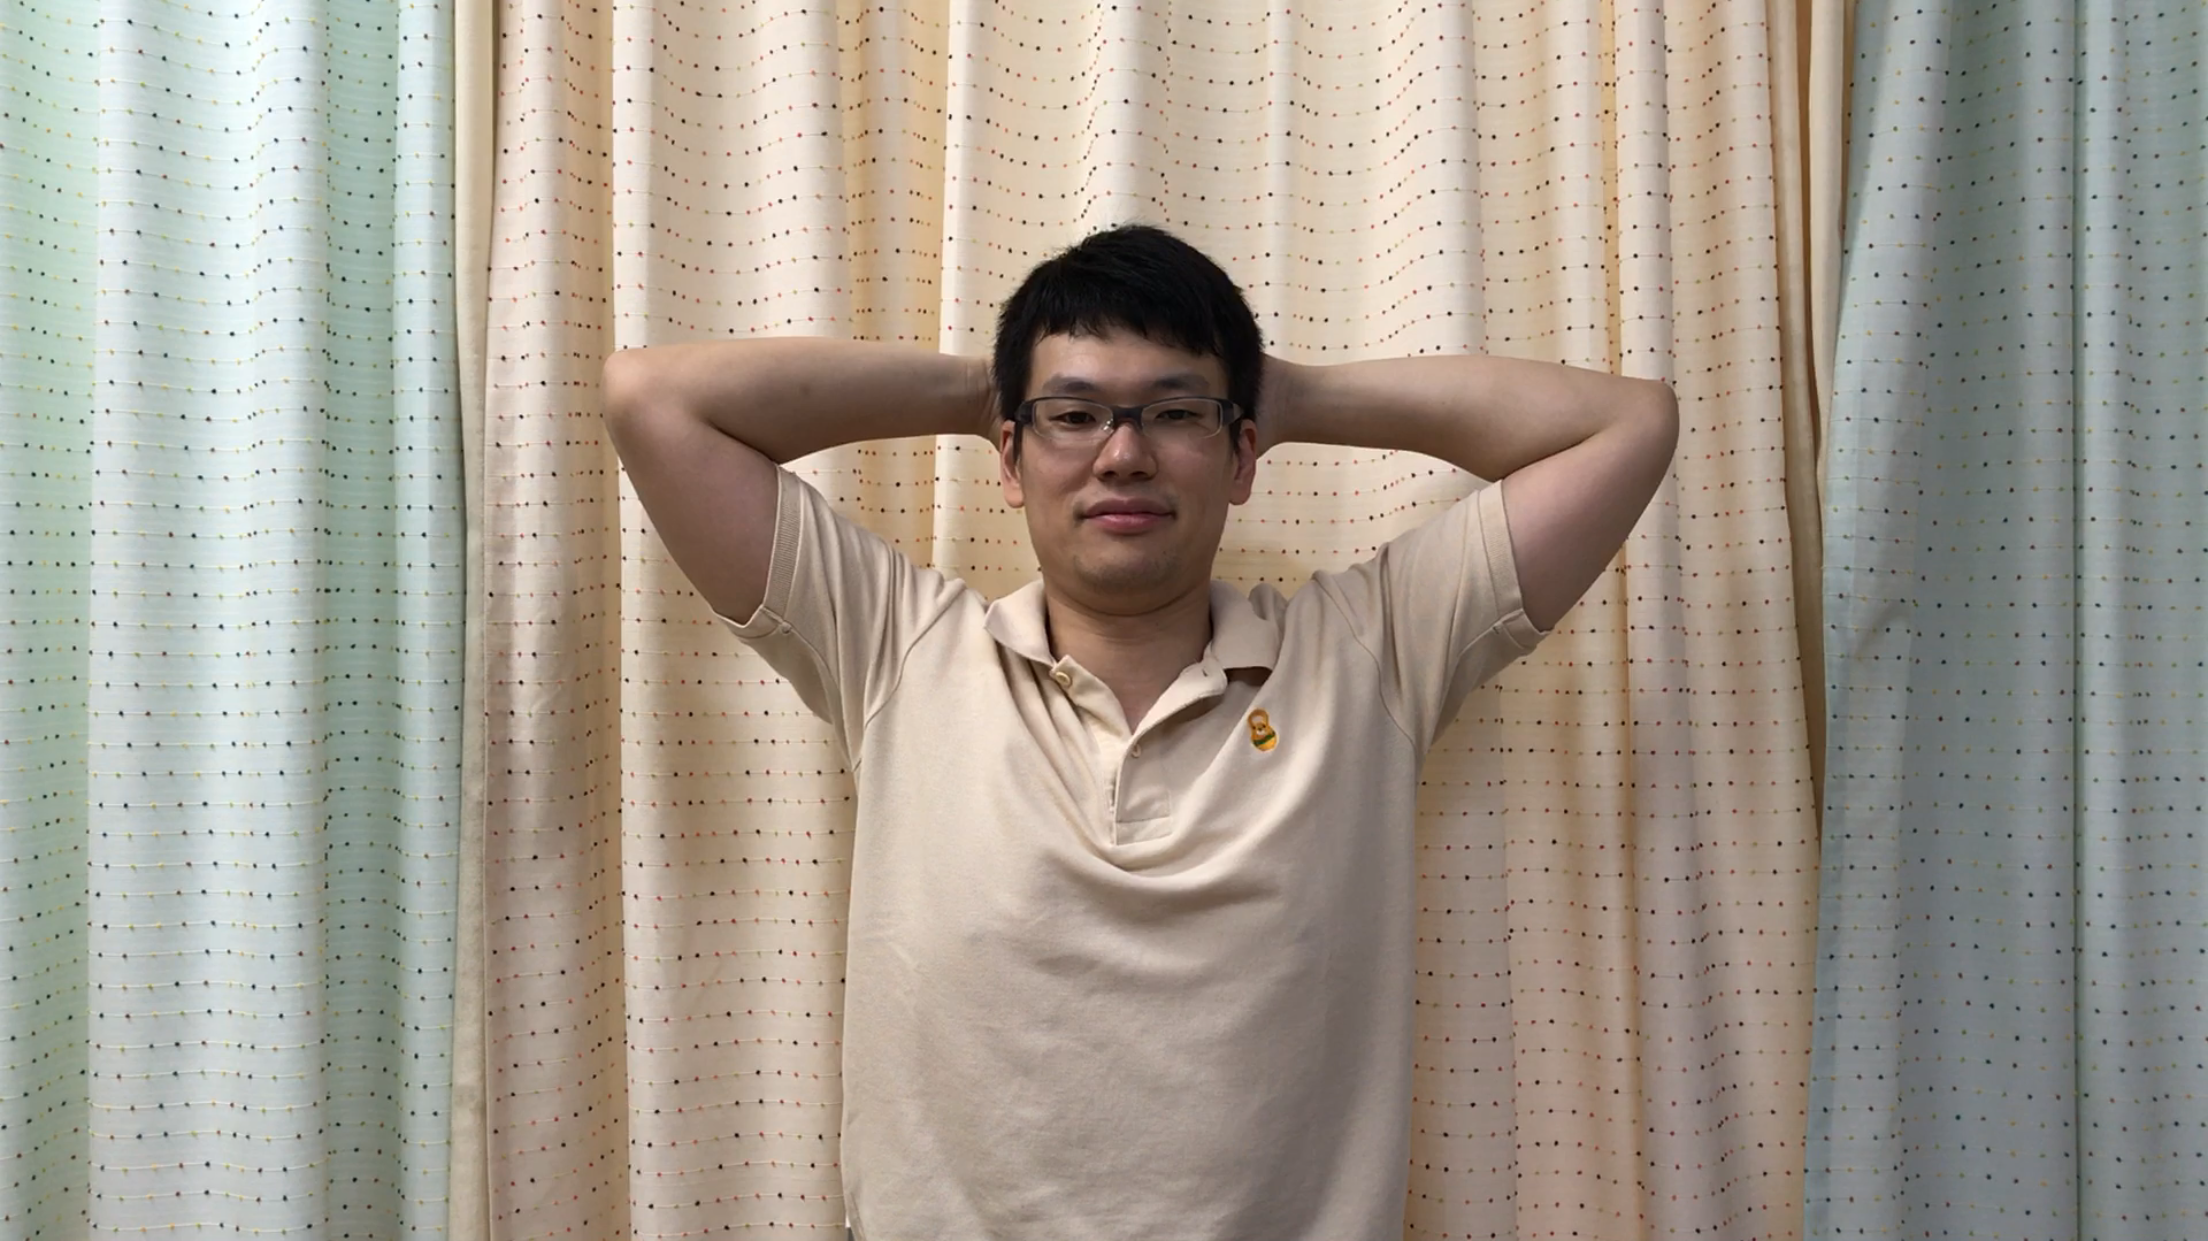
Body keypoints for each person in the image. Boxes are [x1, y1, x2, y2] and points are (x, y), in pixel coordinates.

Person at [600, 223, 1677, 1240]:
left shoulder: (1370, 653)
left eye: (1172, 413)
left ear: (1243, 456)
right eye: (1075, 417)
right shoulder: (898, 648)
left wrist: (1281, 393)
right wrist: (990, 386)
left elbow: (1628, 424)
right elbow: (653, 399)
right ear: (1009, 459)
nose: (1123, 455)